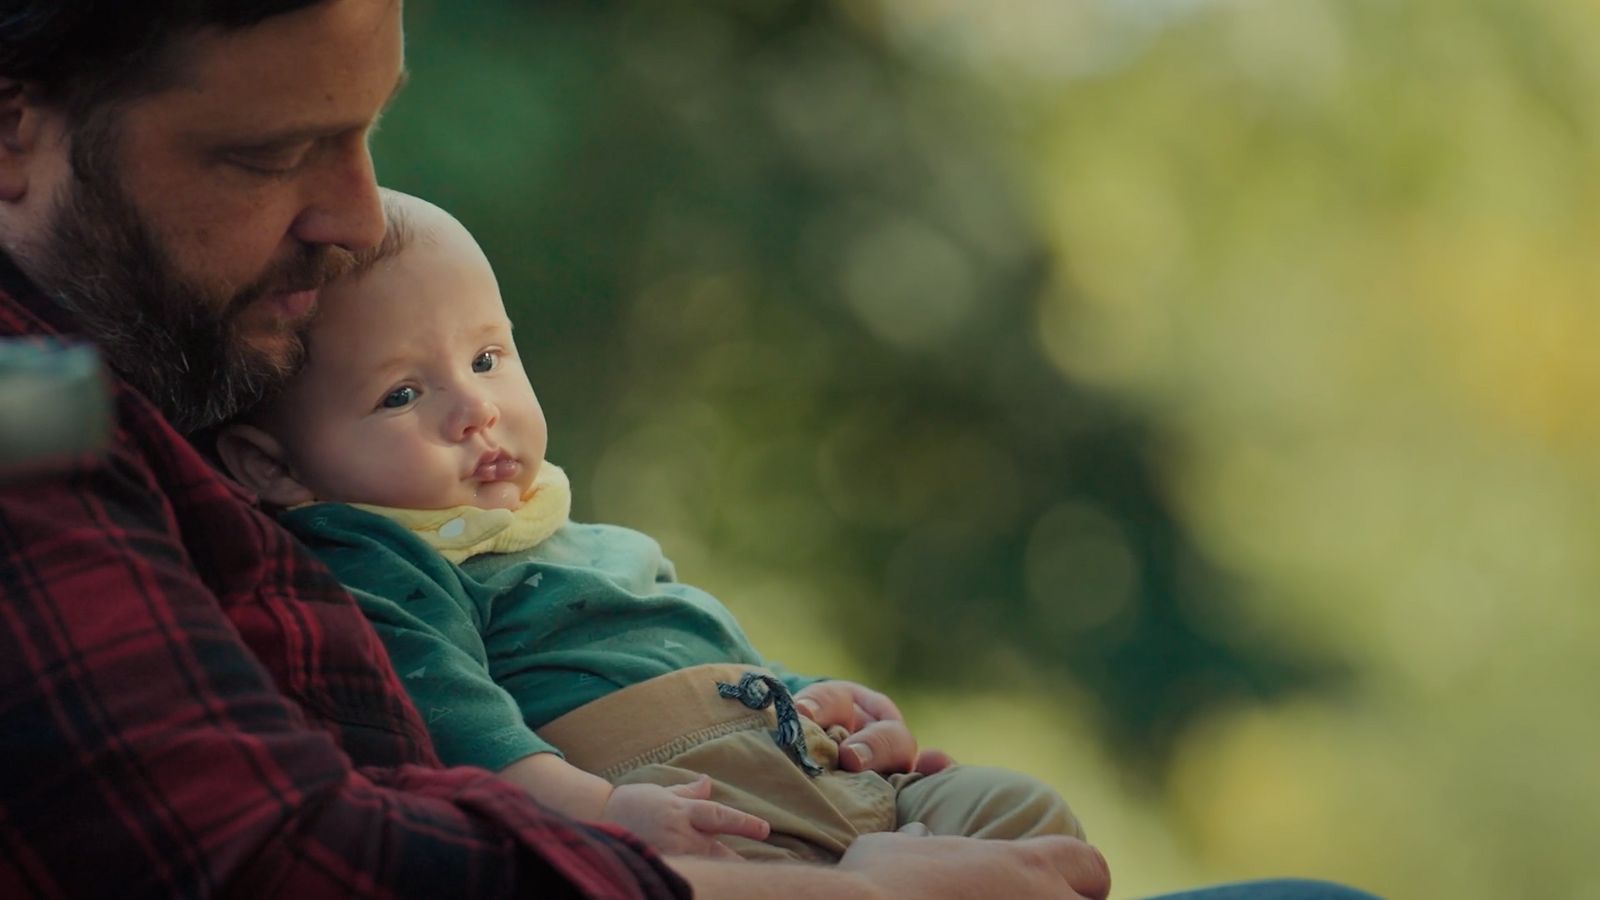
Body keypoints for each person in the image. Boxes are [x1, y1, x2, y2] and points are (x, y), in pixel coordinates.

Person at [0, 1, 1376, 898]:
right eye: (270, 155)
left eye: (367, 134)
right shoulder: (32, 403)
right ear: (13, 132)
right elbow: (281, 857)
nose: (356, 220)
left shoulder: (162, 361)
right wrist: (841, 894)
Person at [215, 190, 1083, 862]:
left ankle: (907, 848)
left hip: (799, 765)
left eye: (486, 359)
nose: (475, 409)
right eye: (403, 394)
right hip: (679, 806)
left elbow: (709, 653)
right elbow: (452, 719)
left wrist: (829, 703)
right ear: (273, 467)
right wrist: (594, 814)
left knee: (1023, 818)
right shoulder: (376, 556)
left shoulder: (586, 543)